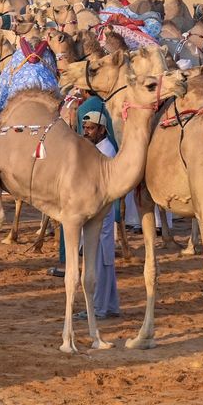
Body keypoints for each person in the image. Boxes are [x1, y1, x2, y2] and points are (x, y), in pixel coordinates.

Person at [80, 111, 121, 319]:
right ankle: (110, 305)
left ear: (102, 130)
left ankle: (98, 308)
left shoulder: (106, 150)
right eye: (85, 128)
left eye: (91, 128)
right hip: (95, 210)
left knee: (100, 260)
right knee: (102, 260)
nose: (86, 132)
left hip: (101, 211)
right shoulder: (94, 148)